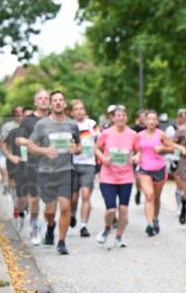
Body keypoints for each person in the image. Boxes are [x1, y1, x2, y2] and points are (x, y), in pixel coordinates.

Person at [26, 91, 82, 255]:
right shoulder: (42, 125)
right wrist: (45, 151)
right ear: (51, 104)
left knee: (65, 207)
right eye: (55, 100)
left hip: (66, 170)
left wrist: (76, 149)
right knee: (49, 211)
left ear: (65, 104)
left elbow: (79, 146)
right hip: (46, 172)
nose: (58, 103)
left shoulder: (72, 125)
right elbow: (30, 146)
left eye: (60, 100)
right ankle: (51, 226)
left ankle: (62, 242)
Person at [95, 106, 137, 247]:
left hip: (126, 177)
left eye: (123, 115)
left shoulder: (132, 134)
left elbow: (139, 151)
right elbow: (97, 148)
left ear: (127, 118)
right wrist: (103, 158)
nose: (121, 118)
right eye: (118, 115)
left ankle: (119, 237)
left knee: (123, 209)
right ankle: (107, 228)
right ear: (113, 118)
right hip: (108, 177)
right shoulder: (106, 133)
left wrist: (137, 157)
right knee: (111, 210)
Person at [14, 89, 52, 244]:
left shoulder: (55, 119)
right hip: (33, 164)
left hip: (52, 165)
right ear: (36, 102)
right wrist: (30, 142)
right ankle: (35, 226)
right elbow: (18, 140)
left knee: (50, 200)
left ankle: (49, 227)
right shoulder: (28, 120)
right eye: (40, 98)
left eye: (46, 98)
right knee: (34, 199)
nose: (43, 100)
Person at [134, 111, 174, 237]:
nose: (151, 121)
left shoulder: (161, 134)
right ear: (145, 121)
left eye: (154, 119)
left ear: (157, 122)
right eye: (149, 119)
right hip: (144, 169)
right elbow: (136, 150)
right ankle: (150, 224)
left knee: (156, 198)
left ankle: (155, 218)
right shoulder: (139, 135)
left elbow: (171, 148)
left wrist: (163, 148)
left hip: (159, 169)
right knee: (149, 196)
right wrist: (137, 155)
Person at [68, 100, 98, 238]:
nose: (79, 111)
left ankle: (83, 225)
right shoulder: (69, 125)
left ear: (85, 111)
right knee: (73, 198)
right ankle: (72, 213)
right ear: (72, 112)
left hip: (89, 164)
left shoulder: (91, 124)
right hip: (72, 164)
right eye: (76, 109)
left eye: (81, 109)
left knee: (86, 194)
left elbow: (100, 141)